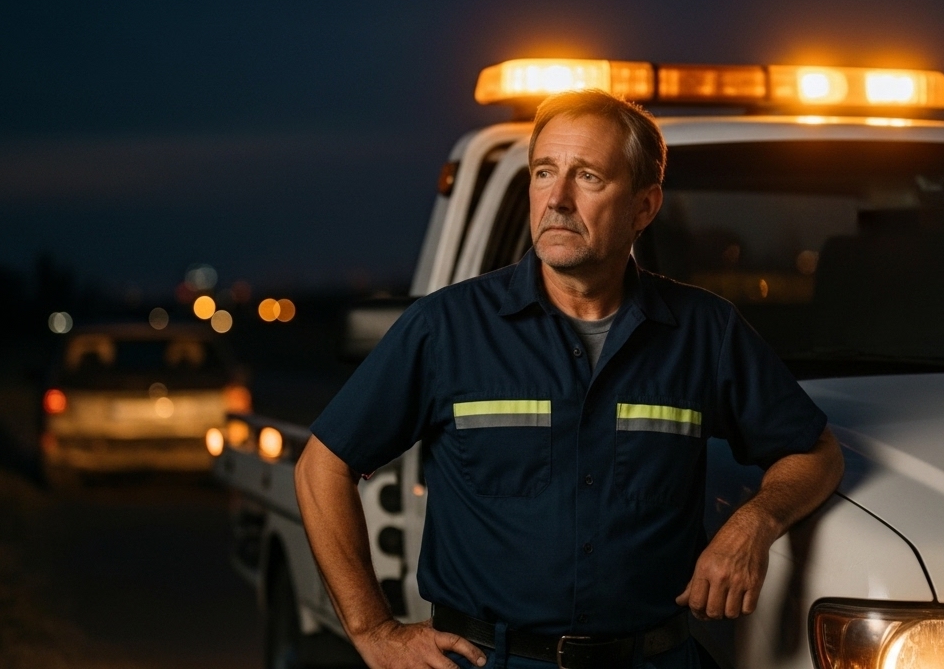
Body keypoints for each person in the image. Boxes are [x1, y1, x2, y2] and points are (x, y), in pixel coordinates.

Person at [295, 89, 844, 669]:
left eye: (587, 176)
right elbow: (323, 466)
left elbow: (816, 452)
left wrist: (754, 523)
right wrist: (372, 628)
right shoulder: (448, 328)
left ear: (644, 205)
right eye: (543, 172)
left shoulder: (704, 332)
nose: (556, 199)